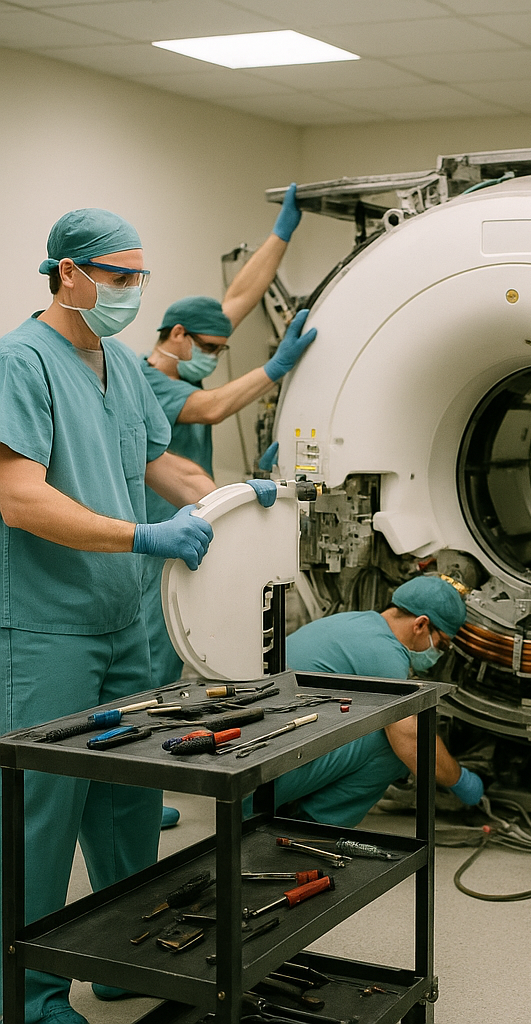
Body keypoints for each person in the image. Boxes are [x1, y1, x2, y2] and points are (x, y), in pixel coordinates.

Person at [0, 208, 221, 1024]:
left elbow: (158, 463)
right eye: (117, 277)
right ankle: (28, 995)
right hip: (48, 625)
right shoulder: (20, 361)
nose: (129, 292)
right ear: (67, 273)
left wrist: (240, 507)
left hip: (126, 618)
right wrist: (142, 536)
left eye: (138, 279)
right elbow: (20, 499)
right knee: (42, 816)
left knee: (129, 801)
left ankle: (125, 954)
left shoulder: (123, 366)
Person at [141, 183, 316, 694]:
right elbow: (212, 409)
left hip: (199, 516)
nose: (217, 357)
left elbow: (240, 296)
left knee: (194, 639)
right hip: (158, 533)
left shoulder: (186, 366)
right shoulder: (145, 379)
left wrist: (282, 233)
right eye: (212, 348)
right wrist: (275, 368)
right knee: (157, 650)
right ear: (177, 335)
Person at [260, 577, 485, 826]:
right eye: (441, 644)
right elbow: (413, 740)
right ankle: (314, 828)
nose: (438, 653)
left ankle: (295, 812)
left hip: (254, 757)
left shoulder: (358, 622)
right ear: (421, 625)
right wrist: (461, 781)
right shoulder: (385, 653)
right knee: (393, 745)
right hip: (259, 781)